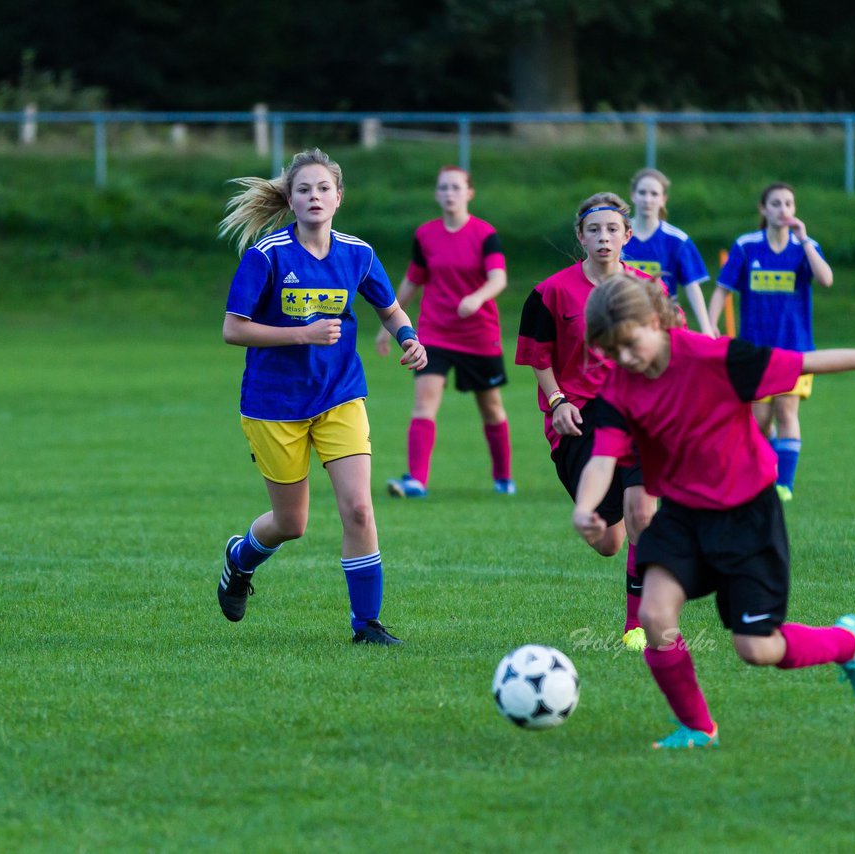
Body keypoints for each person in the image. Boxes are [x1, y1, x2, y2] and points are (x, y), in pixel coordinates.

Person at [572, 274, 855, 749]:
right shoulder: (620, 390)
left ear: (654, 320)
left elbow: (805, 362)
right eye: (610, 351)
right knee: (655, 616)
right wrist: (584, 508)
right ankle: (698, 728)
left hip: (747, 516)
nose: (623, 359)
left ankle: (847, 641)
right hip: (683, 514)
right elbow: (602, 459)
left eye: (628, 343)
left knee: (757, 648)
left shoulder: (715, 358)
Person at [215, 148, 427, 645]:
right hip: (273, 404)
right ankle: (239, 559)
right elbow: (232, 330)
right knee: (291, 524)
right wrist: (301, 336)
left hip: (340, 396)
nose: (314, 196)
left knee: (358, 509)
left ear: (338, 198)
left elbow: (392, 310)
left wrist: (409, 339)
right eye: (304, 189)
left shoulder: (358, 254)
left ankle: (366, 625)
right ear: (290, 200)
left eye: (323, 188)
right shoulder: (266, 255)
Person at [515, 192, 655, 651]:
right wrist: (557, 401)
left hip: (636, 414)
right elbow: (537, 357)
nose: (603, 237)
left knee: (642, 513)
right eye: (594, 230)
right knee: (609, 542)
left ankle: (638, 624)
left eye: (613, 229)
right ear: (580, 236)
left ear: (627, 236)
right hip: (578, 419)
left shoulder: (647, 291)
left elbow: (668, 352)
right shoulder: (549, 292)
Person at [376, 165, 513, 498]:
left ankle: (503, 479)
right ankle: (416, 481)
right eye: (443, 188)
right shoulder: (426, 234)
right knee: (424, 403)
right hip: (434, 332)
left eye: (456, 187)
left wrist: (476, 298)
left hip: (478, 334)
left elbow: (499, 278)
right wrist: (388, 323)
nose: (449, 193)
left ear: (469, 193)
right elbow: (413, 279)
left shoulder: (484, 234)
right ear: (436, 194)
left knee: (491, 407)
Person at [708, 182, 833, 502]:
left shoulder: (804, 246)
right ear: (763, 210)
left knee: (786, 411)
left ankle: (784, 485)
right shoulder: (747, 246)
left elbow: (826, 279)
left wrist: (805, 240)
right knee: (759, 421)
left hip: (796, 348)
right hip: (755, 349)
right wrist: (711, 326)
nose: (783, 209)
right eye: (775, 204)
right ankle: (767, 468)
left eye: (789, 204)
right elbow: (723, 288)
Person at [622, 168, 715, 336]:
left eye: (654, 194)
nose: (648, 199)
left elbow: (692, 285)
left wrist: (706, 328)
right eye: (642, 192)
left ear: (663, 199)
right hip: (622, 319)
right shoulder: (616, 234)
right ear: (633, 195)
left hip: (663, 323)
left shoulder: (677, 240)